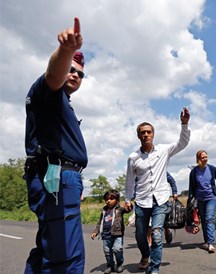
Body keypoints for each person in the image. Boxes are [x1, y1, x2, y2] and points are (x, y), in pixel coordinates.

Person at [23, 17, 87, 273]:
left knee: (49, 251)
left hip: (59, 179)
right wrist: (67, 50)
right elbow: (53, 73)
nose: (75, 75)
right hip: (57, 180)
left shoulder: (60, 103)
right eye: (72, 69)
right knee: (66, 259)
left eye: (81, 74)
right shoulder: (47, 91)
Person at [124, 108, 190, 273]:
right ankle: (145, 255)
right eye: (142, 132)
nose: (146, 134)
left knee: (157, 234)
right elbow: (130, 181)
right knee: (140, 235)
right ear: (138, 136)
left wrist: (184, 124)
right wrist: (127, 199)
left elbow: (182, 143)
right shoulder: (133, 158)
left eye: (149, 132)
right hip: (141, 201)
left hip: (160, 200)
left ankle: (154, 269)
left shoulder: (163, 150)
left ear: (153, 134)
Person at [188, 150, 216, 253]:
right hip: (200, 199)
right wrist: (191, 200)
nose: (205, 159)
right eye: (202, 157)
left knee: (209, 218)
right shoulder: (194, 171)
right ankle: (206, 241)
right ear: (198, 159)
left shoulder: (212, 169)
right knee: (203, 220)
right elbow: (191, 187)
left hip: (212, 197)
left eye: (206, 157)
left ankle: (211, 243)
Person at [91, 190, 130, 274]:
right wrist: (95, 231)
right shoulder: (104, 211)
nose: (108, 201)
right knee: (107, 252)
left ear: (117, 200)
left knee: (117, 249)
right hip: (106, 235)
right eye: (107, 199)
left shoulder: (119, 209)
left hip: (117, 234)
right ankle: (110, 265)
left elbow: (127, 210)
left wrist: (129, 206)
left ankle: (119, 264)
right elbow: (100, 222)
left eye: (111, 199)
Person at [147, 172, 179, 246]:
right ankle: (150, 241)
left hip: (161, 199)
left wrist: (175, 192)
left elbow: (172, 180)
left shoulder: (161, 170)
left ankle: (167, 231)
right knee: (149, 222)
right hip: (147, 200)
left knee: (162, 220)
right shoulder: (144, 169)